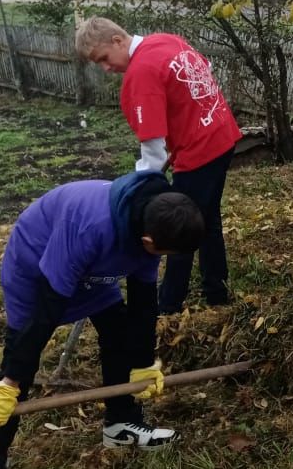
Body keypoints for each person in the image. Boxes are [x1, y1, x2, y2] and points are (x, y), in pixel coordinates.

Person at [0, 171, 205, 469]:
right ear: (148, 241)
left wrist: (143, 363)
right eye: (167, 253)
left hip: (92, 267)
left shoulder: (153, 219)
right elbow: (46, 314)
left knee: (118, 331)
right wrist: (10, 383)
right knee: (25, 343)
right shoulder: (91, 227)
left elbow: (144, 303)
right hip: (35, 263)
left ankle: (121, 424)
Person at [75, 18, 242, 314]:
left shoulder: (141, 72)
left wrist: (139, 189)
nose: (105, 68)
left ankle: (168, 305)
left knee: (177, 228)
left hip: (200, 151)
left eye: (103, 58)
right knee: (207, 219)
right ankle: (217, 291)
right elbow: (202, 73)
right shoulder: (165, 40)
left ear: (117, 40)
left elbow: (152, 147)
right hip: (221, 133)